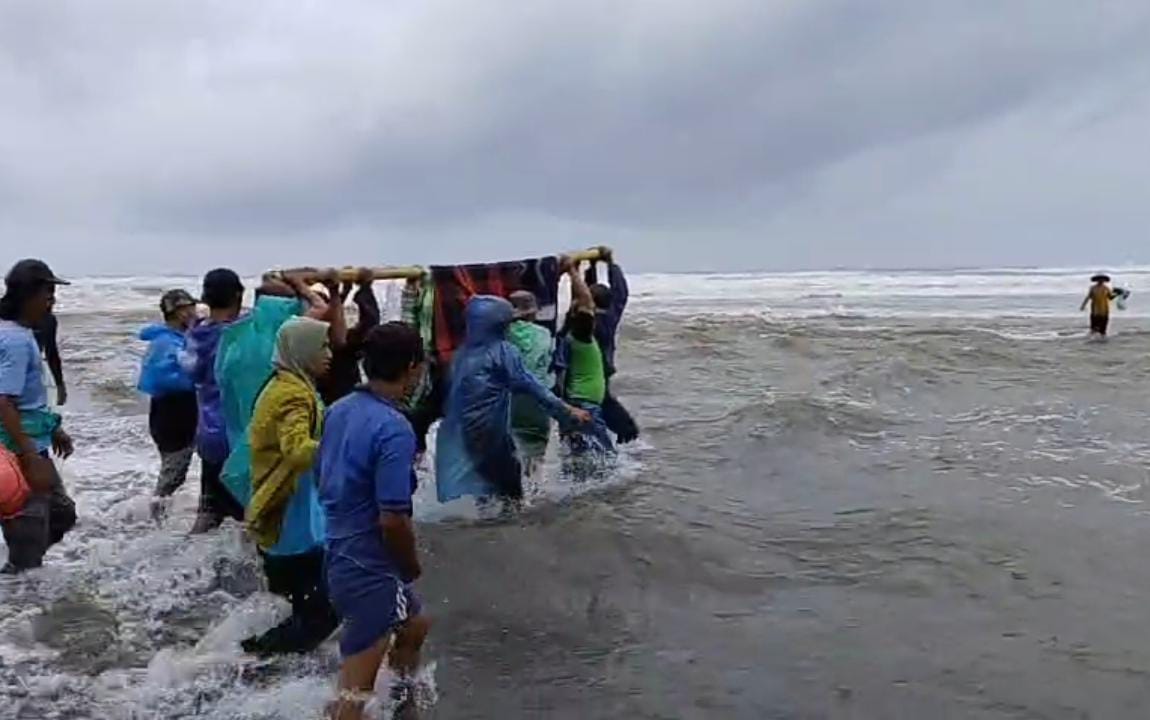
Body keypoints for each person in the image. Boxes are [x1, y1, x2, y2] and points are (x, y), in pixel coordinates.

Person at [320, 323, 430, 720]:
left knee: (416, 623)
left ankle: (404, 700)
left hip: (338, 550)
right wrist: (409, 565)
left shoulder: (339, 409)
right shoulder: (394, 429)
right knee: (353, 694)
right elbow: (393, 520)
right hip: (371, 563)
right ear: (413, 368)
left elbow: (323, 476)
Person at [242, 316, 339, 656]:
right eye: (322, 346)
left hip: (293, 508)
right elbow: (297, 449)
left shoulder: (290, 383)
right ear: (302, 350)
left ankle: (273, 656)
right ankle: (258, 656)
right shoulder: (292, 394)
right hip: (289, 517)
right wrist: (342, 447)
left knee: (309, 604)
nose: (329, 353)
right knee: (323, 609)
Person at [435, 296, 590, 508]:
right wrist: (568, 412)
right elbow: (533, 388)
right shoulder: (502, 352)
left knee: (481, 488)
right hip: (487, 430)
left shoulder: (460, 355)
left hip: (457, 432)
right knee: (510, 492)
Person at [0, 260, 76, 574]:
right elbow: (3, 401)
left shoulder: (16, 332)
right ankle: (20, 610)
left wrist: (53, 428)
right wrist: (29, 455)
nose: (52, 301)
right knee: (28, 554)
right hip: (20, 451)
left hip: (28, 441)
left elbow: (26, 399)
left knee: (60, 514)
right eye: (48, 293)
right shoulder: (16, 340)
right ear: (28, 296)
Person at [185, 269, 250, 533]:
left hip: (207, 432)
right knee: (245, 519)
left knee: (210, 513)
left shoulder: (197, 334)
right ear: (238, 295)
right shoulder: (240, 335)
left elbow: (190, 371)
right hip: (236, 437)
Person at [137, 290, 199, 507]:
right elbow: (165, 380)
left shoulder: (178, 338)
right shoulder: (166, 344)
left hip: (178, 412)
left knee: (179, 470)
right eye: (189, 307)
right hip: (173, 416)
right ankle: (153, 519)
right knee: (173, 473)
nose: (194, 311)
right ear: (179, 312)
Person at [555, 263, 615, 465]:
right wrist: (572, 271)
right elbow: (586, 302)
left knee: (577, 460)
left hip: (572, 403)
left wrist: (576, 273)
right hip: (584, 404)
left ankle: (577, 495)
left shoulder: (568, 334)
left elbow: (581, 302)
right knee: (607, 461)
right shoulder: (582, 337)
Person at [583, 247, 639, 444]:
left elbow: (583, 296)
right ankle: (624, 433)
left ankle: (627, 430)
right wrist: (608, 264)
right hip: (603, 365)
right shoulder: (610, 316)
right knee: (601, 399)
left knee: (601, 400)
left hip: (591, 368)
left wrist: (593, 267)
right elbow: (621, 293)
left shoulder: (587, 318)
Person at [506, 290, 555, 477]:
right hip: (539, 401)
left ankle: (511, 496)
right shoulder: (544, 334)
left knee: (511, 449)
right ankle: (532, 496)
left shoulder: (502, 335)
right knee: (535, 455)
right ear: (533, 312)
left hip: (510, 401)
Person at [318, 269, 381, 406]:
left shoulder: (307, 345)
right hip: (338, 397)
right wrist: (365, 288)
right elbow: (370, 324)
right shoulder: (337, 346)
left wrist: (344, 291)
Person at [33, 304, 66, 408]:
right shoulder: (9, 319)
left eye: (52, 296)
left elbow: (51, 352)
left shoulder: (48, 320)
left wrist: (60, 385)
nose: (52, 302)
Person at [1081, 273, 1120, 338]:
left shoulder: (1106, 288)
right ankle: (1092, 338)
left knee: (1103, 328)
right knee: (1094, 327)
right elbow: (1088, 297)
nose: (1101, 281)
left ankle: (1102, 339)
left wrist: (1117, 294)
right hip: (1095, 310)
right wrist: (1083, 305)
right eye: (1099, 279)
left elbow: (1110, 297)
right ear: (1097, 280)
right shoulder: (1093, 288)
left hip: (1104, 310)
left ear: (1104, 281)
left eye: (1102, 280)